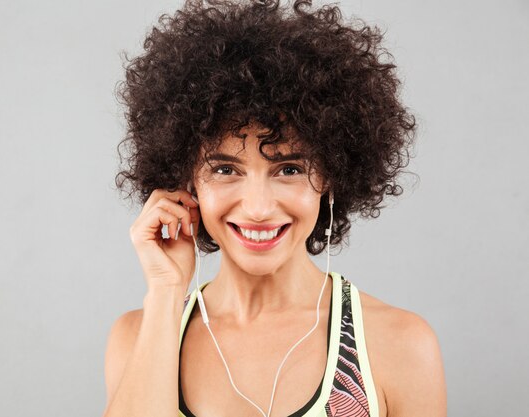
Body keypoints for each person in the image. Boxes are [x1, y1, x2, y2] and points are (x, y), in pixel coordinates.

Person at [103, 0, 446, 416]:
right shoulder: (138, 338)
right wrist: (164, 295)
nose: (259, 208)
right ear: (187, 180)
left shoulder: (398, 343)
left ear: (332, 174)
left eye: (288, 168)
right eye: (226, 168)